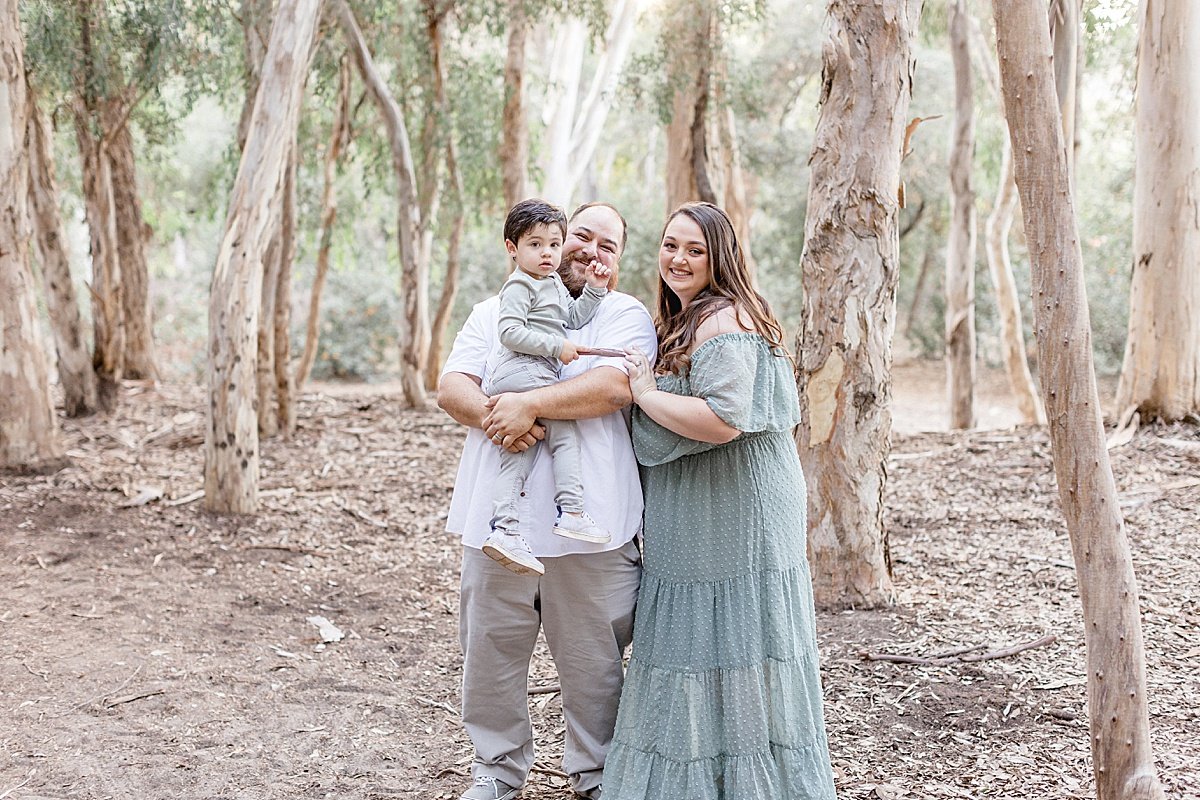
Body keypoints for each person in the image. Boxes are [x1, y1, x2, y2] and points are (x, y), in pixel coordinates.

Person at [602, 202, 837, 799]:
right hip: (697, 501)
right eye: (670, 245)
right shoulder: (683, 319)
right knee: (698, 639)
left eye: (695, 250)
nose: (678, 259)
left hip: (738, 503)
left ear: (720, 257)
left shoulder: (723, 320)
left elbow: (724, 418)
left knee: (736, 634)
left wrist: (645, 395)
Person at [438, 202, 656, 800]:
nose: (591, 251)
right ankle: (496, 770)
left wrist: (529, 404)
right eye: (580, 236)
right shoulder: (496, 308)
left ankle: (597, 773)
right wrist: (498, 415)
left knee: (595, 663)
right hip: (494, 521)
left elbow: (614, 385)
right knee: (489, 653)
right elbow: (453, 385)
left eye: (607, 245)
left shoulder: (624, 314)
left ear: (618, 258)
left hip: (593, 529)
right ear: (554, 243)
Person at [482, 199, 614, 577]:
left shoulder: (551, 282)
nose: (547, 254)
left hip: (532, 374)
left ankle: (504, 529)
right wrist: (557, 348)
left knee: (517, 452)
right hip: (523, 371)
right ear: (512, 249)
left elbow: (569, 319)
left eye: (554, 245)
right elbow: (509, 332)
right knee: (565, 435)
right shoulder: (520, 285)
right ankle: (571, 510)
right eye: (535, 245)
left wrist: (594, 289)